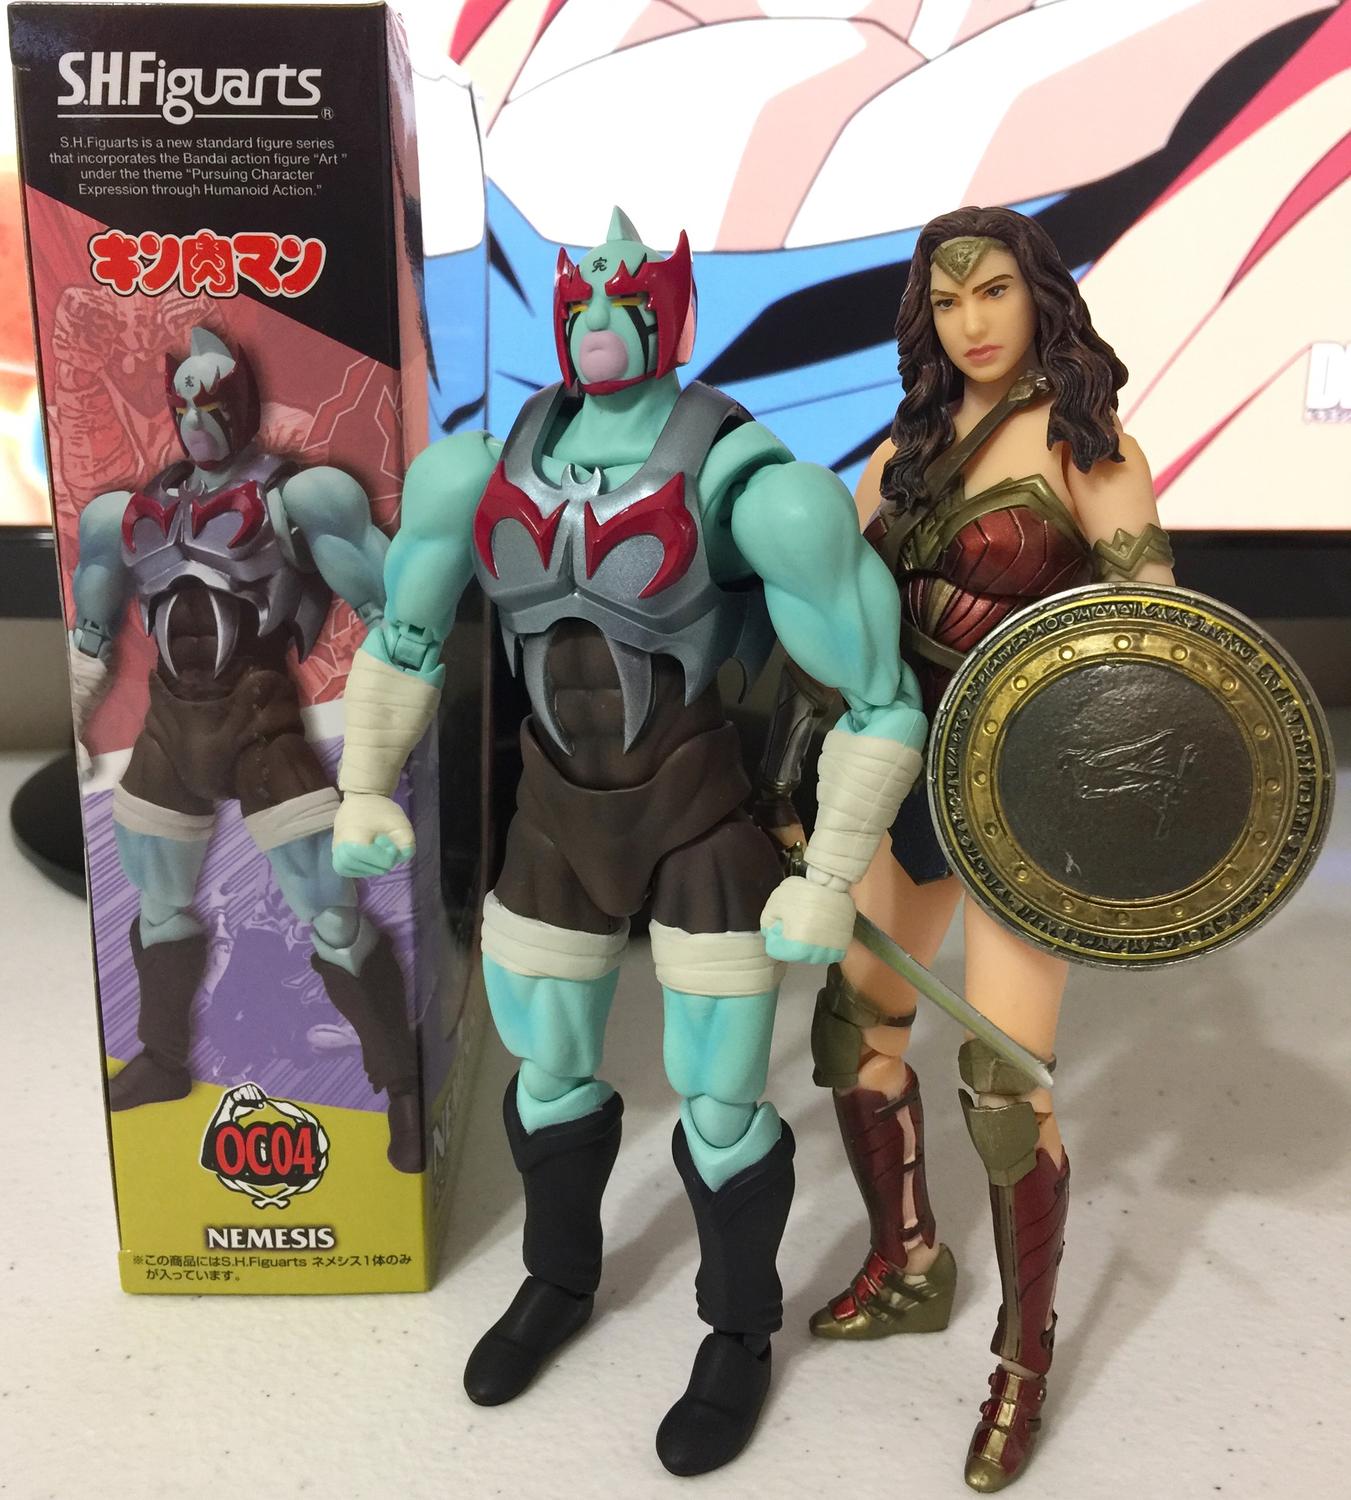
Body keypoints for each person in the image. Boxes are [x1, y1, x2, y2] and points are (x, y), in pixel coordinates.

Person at [330, 209, 927, 1477]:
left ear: (672, 314)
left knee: (719, 1100)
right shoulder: (474, 470)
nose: (599, 321)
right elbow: (406, 635)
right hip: (554, 814)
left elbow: (879, 699)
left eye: (626, 302)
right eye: (582, 301)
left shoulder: (753, 485)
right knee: (546, 1069)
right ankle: (559, 1277)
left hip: (700, 817)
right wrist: (367, 784)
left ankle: (738, 1328)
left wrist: (830, 873)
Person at [757, 206, 1174, 1492]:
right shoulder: (903, 456)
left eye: (993, 290)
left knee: (1004, 1090)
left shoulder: (1090, 449)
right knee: (854, 1035)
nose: (972, 321)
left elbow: (1155, 646)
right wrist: (794, 777)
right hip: (900, 777)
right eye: (947, 302)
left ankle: (1021, 1363)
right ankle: (907, 1264)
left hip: (1023, 796)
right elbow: (838, 635)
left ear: (1037, 295)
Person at [68, 327, 421, 1171]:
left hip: (261, 722)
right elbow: (90, 632)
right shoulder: (125, 514)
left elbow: (394, 617)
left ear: (244, 405)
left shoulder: (302, 497)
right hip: (169, 726)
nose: (197, 422)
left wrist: (391, 738)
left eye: (213, 405)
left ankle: (403, 1088)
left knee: (331, 913)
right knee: (157, 904)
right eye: (184, 406)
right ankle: (163, 1058)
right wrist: (78, 719)